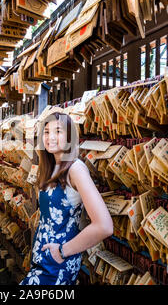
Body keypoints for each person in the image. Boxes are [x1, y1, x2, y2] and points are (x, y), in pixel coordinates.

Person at [20, 111, 113, 285]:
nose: (51, 137)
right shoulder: (50, 167)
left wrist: (62, 251)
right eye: (46, 132)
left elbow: (104, 225)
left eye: (58, 131)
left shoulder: (75, 169)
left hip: (59, 263)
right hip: (43, 258)